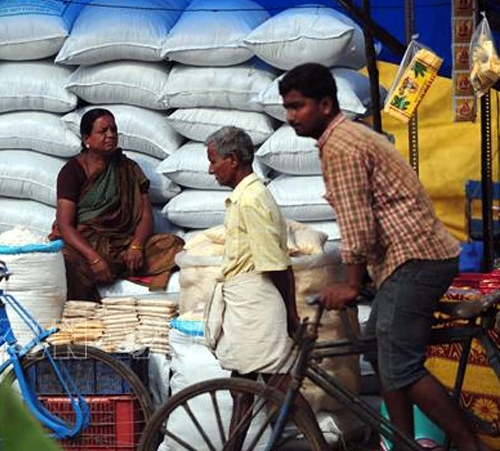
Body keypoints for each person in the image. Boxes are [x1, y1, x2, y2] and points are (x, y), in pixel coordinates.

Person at [279, 63, 487, 451]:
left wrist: (351, 284)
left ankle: (466, 445)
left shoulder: (341, 146)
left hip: (416, 259)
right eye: (287, 108)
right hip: (408, 259)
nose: (291, 117)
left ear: (325, 104)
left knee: (401, 364)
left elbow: (357, 221)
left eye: (298, 106)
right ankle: (402, 442)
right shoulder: (346, 138)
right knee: (377, 345)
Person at [203, 126, 301, 449]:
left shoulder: (251, 199)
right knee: (244, 388)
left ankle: (322, 444)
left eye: (214, 161)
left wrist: (289, 313)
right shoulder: (246, 196)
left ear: (232, 159)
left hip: (256, 304)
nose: (210, 169)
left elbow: (275, 263)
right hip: (247, 302)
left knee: (279, 384)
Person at [51, 108, 184, 302]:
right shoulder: (72, 172)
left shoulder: (128, 168)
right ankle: (89, 302)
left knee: (173, 245)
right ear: (87, 138)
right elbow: (64, 225)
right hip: (85, 246)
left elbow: (146, 216)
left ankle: (116, 268)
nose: (111, 135)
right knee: (66, 263)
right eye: (103, 131)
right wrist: (94, 259)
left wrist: (136, 247)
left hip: (122, 246)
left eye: (113, 130)